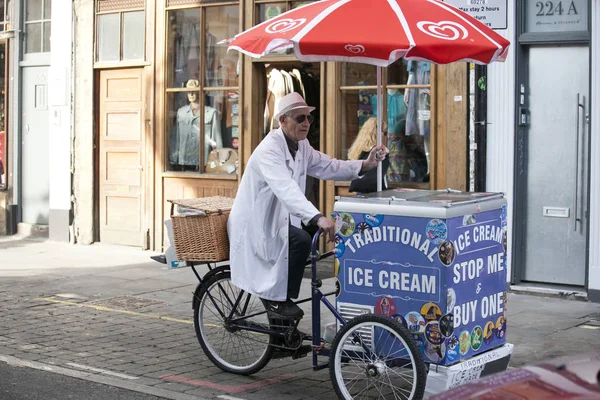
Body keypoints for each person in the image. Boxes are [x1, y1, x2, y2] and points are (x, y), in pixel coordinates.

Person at [228, 92, 388, 319]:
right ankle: (280, 302)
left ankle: (283, 334)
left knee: (309, 236)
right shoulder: (269, 150)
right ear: (282, 121)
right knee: (302, 240)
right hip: (255, 225)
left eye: (308, 118)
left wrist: (365, 164)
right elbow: (286, 190)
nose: (306, 123)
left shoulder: (301, 145)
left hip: (278, 220)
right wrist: (317, 217)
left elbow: (328, 166)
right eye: (300, 118)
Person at [169, 79, 222, 170]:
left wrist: (219, 160)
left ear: (201, 92)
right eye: (189, 92)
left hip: (203, 162)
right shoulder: (181, 112)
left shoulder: (211, 113)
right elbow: (176, 138)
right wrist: (173, 159)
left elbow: (216, 139)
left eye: (194, 91)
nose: (191, 94)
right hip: (183, 163)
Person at [348, 117, 390, 193]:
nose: (386, 136)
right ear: (378, 133)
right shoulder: (379, 150)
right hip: (375, 191)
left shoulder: (359, 148)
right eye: (385, 132)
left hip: (360, 188)